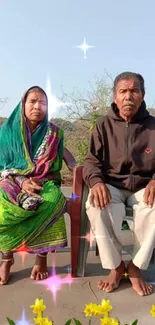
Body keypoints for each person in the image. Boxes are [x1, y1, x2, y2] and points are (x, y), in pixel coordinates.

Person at [83, 72, 155, 296]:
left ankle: (135, 267)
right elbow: (91, 160)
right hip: (112, 185)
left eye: (134, 91)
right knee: (96, 205)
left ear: (142, 95)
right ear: (115, 97)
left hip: (144, 187)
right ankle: (116, 267)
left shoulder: (153, 126)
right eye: (123, 91)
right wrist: (96, 182)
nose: (128, 96)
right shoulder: (103, 125)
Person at [0, 86, 67, 285]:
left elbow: (54, 166)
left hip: (43, 180)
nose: (38, 106)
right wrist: (21, 181)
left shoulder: (55, 133)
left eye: (43, 103)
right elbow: (2, 165)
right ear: (23, 104)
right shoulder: (6, 132)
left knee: (52, 200)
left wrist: (37, 180)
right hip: (11, 180)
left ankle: (41, 258)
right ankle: (6, 257)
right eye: (33, 101)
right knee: (3, 205)